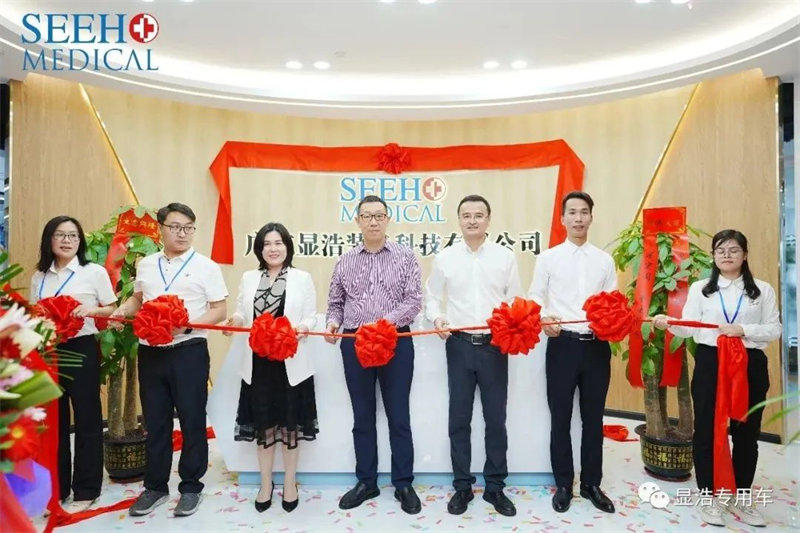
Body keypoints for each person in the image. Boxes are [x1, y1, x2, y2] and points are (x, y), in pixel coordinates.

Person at [654, 229, 780, 528]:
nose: (726, 255)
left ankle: (741, 497)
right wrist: (669, 323)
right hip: (711, 362)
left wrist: (743, 330)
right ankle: (708, 497)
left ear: (745, 255)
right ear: (713, 255)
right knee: (707, 431)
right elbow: (689, 328)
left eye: (733, 250)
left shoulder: (762, 290)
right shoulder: (701, 289)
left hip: (749, 364)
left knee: (747, 433)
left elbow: (774, 329)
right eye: (720, 250)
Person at [111, 203, 228, 518]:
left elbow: (220, 310)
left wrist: (187, 326)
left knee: (192, 419)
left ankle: (191, 487)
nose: (182, 233)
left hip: (188, 349)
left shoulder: (206, 266)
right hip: (150, 350)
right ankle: (155, 487)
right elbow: (138, 298)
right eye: (176, 227)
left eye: (188, 227)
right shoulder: (147, 264)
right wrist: (123, 310)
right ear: (161, 228)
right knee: (155, 421)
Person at [425, 194, 522, 516]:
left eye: (478, 215)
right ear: (459, 220)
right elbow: (431, 296)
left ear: (488, 219)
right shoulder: (446, 258)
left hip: (495, 345)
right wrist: (437, 318)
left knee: (496, 419)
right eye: (466, 215)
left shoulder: (505, 257)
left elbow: (516, 299)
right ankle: (462, 486)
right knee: (459, 419)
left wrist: (511, 324)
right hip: (459, 345)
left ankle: (495, 487)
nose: (472, 220)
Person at [324, 195, 423, 515]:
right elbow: (335, 303)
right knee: (362, 415)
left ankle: (403, 482)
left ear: (387, 219)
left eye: (379, 215)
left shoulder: (406, 256)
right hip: (355, 343)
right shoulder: (345, 260)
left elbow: (414, 301)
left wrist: (383, 325)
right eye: (367, 216)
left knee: (399, 415)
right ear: (358, 221)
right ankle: (366, 481)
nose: (373, 221)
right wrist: (332, 323)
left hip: (395, 341)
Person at [527, 191, 617, 515]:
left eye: (584, 212)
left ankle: (592, 483)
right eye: (572, 212)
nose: (578, 218)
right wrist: (543, 317)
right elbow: (535, 296)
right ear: (563, 218)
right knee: (561, 417)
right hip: (562, 345)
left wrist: (612, 321)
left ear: (591, 217)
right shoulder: (548, 258)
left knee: (594, 419)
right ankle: (564, 484)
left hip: (596, 346)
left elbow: (613, 302)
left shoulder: (604, 261)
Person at [221, 222, 318, 513]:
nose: (273, 249)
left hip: (290, 362)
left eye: (278, 243)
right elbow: (241, 312)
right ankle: (266, 484)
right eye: (267, 244)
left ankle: (289, 483)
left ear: (287, 246)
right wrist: (234, 321)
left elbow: (310, 316)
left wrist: (302, 328)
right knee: (263, 428)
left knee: (290, 428)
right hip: (258, 364)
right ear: (259, 249)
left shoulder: (302, 278)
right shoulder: (249, 277)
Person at [30, 216, 117, 513]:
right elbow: (34, 313)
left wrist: (90, 310)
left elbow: (112, 308)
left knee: (87, 418)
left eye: (73, 236)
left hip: (81, 349)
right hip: (48, 351)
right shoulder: (39, 276)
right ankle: (56, 489)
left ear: (80, 241)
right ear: (49, 240)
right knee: (53, 422)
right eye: (60, 235)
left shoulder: (93, 272)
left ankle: (87, 489)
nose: (67, 241)